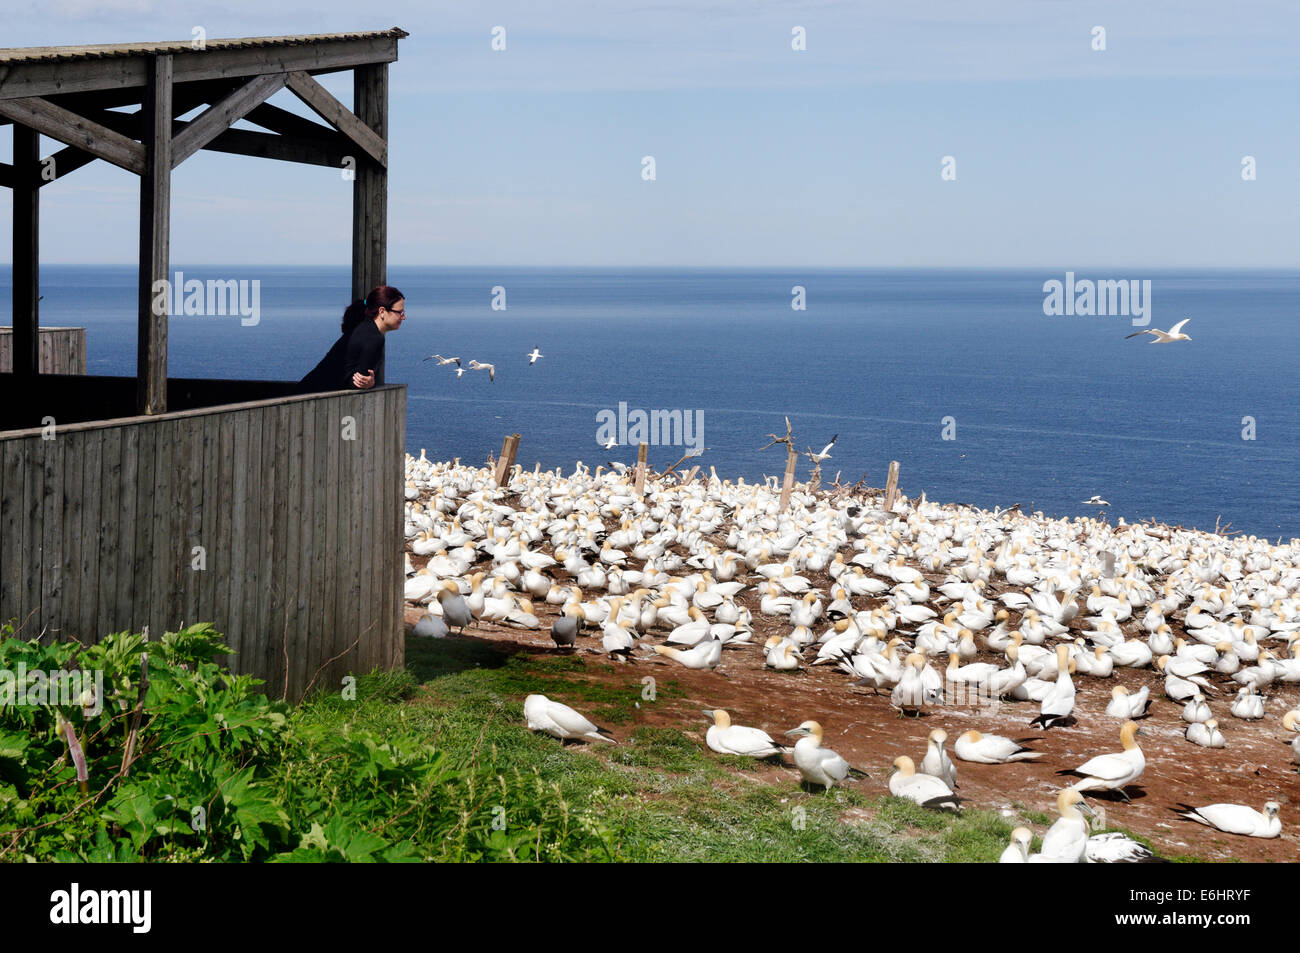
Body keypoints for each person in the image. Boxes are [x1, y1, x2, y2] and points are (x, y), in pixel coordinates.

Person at [298, 285, 406, 393]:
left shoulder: (363, 328)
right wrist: (370, 384)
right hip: (311, 398)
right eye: (400, 312)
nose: (403, 317)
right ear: (382, 311)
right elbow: (357, 383)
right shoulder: (373, 338)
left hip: (305, 390)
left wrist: (370, 382)